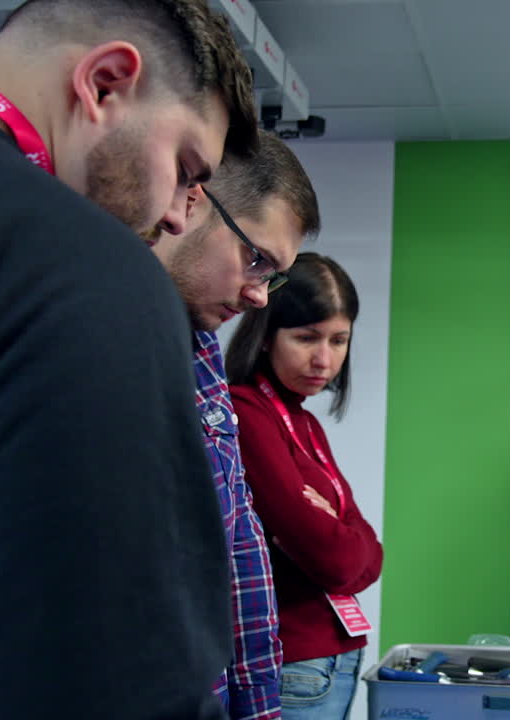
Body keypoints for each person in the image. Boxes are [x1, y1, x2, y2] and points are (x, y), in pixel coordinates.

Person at [0, 0, 258, 717]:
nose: (182, 213)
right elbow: (109, 680)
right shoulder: (74, 264)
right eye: (187, 167)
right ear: (105, 83)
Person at [148, 130, 321, 719]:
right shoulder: (82, 328)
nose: (258, 295)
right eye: (256, 260)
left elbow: (239, 552)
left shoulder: (201, 355)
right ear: (189, 201)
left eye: (272, 275)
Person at [226, 253, 383, 720]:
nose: (324, 359)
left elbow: (368, 555)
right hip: (294, 658)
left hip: (332, 657)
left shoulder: (305, 421)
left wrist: (339, 531)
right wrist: (338, 533)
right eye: (306, 338)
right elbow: (332, 557)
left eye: (339, 341)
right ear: (265, 333)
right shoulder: (246, 413)